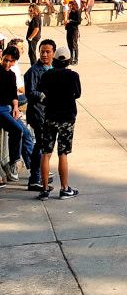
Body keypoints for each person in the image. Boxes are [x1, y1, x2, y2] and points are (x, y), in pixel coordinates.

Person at [36, 45, 82, 199]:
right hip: (67, 118)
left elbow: (40, 90)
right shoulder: (73, 76)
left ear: (54, 58)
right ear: (68, 60)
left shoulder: (47, 75)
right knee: (63, 153)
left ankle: (44, 189)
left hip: (50, 117)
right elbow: (78, 94)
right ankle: (64, 188)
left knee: (46, 153)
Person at [24, 38, 55, 191]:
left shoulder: (52, 68)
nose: (44, 54)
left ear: (53, 53)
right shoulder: (34, 71)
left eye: (47, 52)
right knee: (41, 145)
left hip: (49, 113)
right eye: (42, 51)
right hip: (38, 113)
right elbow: (30, 92)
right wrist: (45, 95)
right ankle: (34, 178)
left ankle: (41, 172)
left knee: (44, 145)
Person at [0, 45, 34, 184]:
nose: (7, 63)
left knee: (25, 132)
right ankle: (14, 161)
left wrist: (15, 107)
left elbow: (13, 94)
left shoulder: (11, 74)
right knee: (17, 129)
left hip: (8, 108)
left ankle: (34, 167)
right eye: (5, 60)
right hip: (1, 109)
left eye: (11, 61)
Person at [65, 0, 81, 65]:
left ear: (73, 5)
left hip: (74, 30)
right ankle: (71, 58)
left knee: (74, 45)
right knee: (69, 44)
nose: (69, 7)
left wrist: (70, 21)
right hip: (69, 29)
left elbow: (78, 21)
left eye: (70, 5)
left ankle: (76, 59)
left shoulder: (77, 12)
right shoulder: (70, 12)